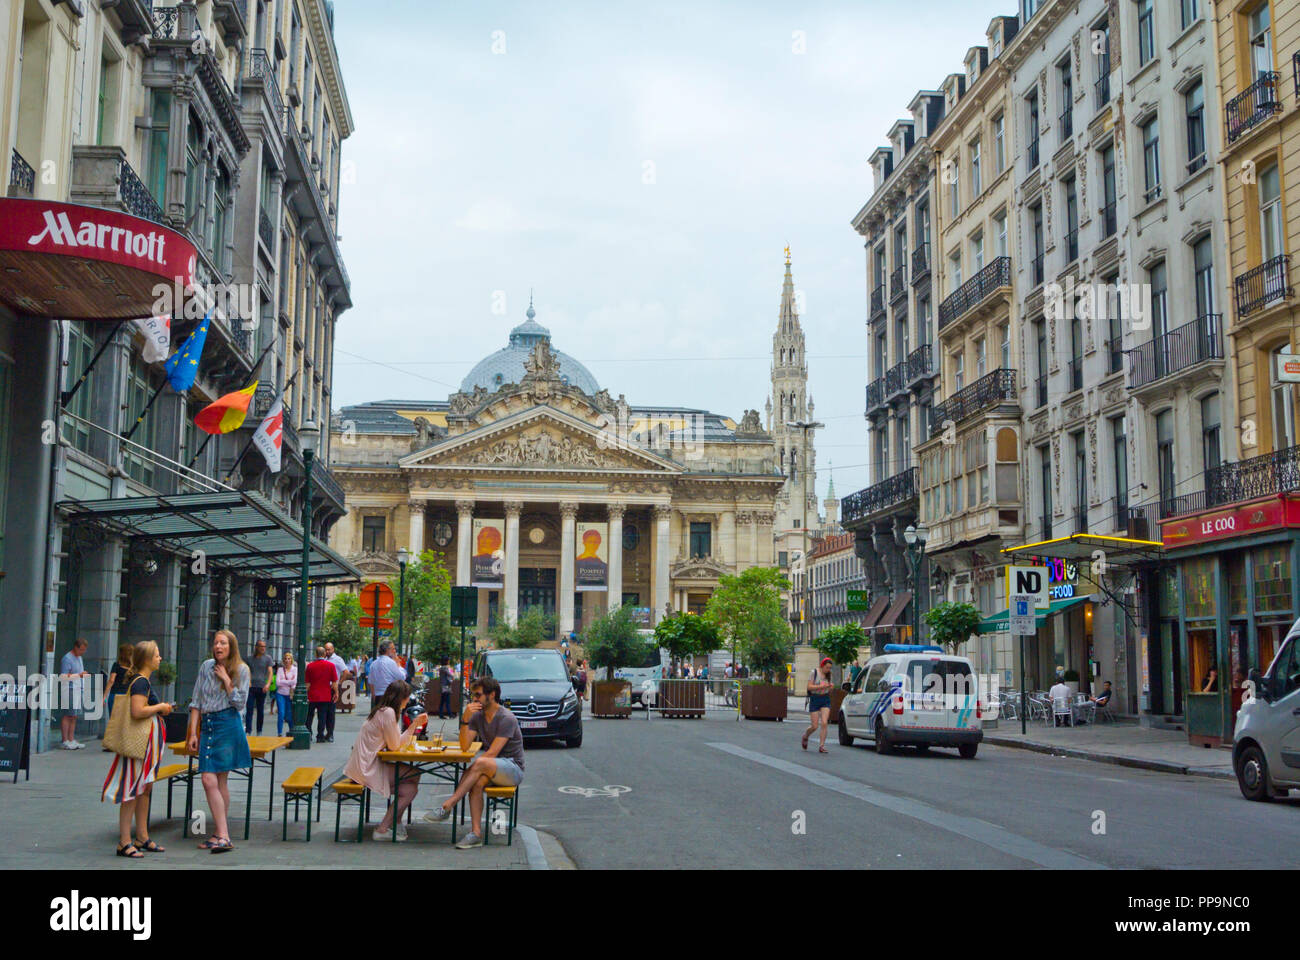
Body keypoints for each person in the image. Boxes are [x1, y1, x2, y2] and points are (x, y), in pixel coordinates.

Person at [423, 677, 525, 849]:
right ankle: (476, 833)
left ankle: (448, 805)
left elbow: (492, 753)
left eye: (478, 695)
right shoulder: (478, 717)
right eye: (473, 695)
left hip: (512, 768)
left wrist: (474, 768)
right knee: (477, 783)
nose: (474, 699)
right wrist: (464, 719)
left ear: (491, 695)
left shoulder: (506, 718)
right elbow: (465, 746)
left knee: (480, 763)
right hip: (490, 767)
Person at [103, 641, 174, 858]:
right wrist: (161, 707)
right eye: (157, 655)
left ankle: (141, 836)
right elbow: (137, 711)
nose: (160, 659)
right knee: (132, 790)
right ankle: (124, 841)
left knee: (143, 789)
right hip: (139, 744)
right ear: (147, 659)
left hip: (146, 745)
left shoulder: (142, 681)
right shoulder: (141, 682)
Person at [187, 629, 251, 854]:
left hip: (228, 723)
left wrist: (226, 680)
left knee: (210, 779)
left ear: (231, 646)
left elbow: (240, 704)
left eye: (223, 643)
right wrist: (193, 732)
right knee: (215, 781)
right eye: (216, 643)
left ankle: (222, 835)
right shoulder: (206, 666)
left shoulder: (241, 670)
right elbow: (196, 700)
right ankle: (220, 833)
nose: (218, 646)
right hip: (208, 724)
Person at [344, 679, 427, 842]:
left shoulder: (382, 710)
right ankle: (383, 828)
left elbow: (393, 743)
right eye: (407, 697)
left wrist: (412, 726)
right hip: (366, 767)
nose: (408, 701)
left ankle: (392, 822)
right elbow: (395, 746)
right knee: (414, 776)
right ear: (400, 698)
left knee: (409, 787)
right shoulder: (388, 713)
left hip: (363, 763)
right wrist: (414, 725)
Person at [59, 639, 92, 750]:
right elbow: (63, 676)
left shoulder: (79, 658)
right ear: (76, 647)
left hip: (78, 688)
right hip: (69, 688)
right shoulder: (67, 658)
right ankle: (65, 740)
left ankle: (71, 739)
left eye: (84, 650)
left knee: (74, 715)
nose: (82, 652)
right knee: (68, 714)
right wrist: (79, 675)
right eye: (81, 649)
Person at [104, 643, 134, 751]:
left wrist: (104, 696)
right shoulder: (133, 668)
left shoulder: (116, 665)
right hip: (127, 696)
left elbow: (111, 680)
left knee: (114, 720)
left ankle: (113, 744)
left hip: (115, 695)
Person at [305, 647, 338, 743]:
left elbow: (307, 683)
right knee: (322, 716)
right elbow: (334, 682)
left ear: (316, 654)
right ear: (324, 654)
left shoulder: (310, 666)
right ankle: (320, 735)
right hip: (325, 695)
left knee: (309, 715)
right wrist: (336, 693)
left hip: (312, 695)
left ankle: (309, 733)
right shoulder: (331, 665)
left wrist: (306, 694)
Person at [802, 657, 834, 753]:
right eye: (827, 667)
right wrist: (821, 686)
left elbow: (830, 689)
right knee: (815, 726)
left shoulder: (829, 675)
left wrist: (830, 687)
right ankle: (805, 736)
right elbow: (809, 687)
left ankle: (822, 746)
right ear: (822, 666)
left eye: (829, 668)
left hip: (825, 698)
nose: (828, 670)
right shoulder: (814, 673)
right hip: (815, 698)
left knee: (824, 722)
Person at [244, 640, 274, 735]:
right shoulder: (249, 659)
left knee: (260, 710)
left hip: (262, 687)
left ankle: (259, 730)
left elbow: (270, 672)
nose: (263, 648)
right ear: (256, 647)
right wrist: (248, 682)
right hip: (251, 687)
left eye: (264, 646)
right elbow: (246, 671)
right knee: (249, 709)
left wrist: (268, 684)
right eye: (261, 646)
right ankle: (248, 730)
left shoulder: (268, 659)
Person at [274, 653, 297, 737]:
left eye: (289, 659)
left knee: (289, 715)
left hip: (290, 695)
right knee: (281, 713)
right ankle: (279, 733)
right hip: (280, 694)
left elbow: (295, 682)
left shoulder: (295, 669)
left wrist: (283, 681)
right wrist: (289, 682)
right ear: (283, 660)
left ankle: (291, 731)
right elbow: (277, 683)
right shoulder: (280, 669)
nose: (287, 660)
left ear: (291, 660)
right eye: (286, 659)